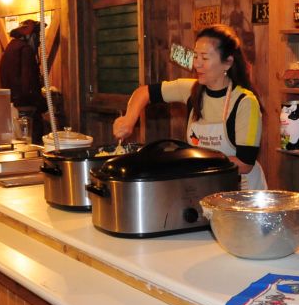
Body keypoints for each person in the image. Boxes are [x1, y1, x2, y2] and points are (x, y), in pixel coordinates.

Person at [112, 24, 266, 189]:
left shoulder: (245, 102)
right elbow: (144, 93)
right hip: (206, 186)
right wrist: (129, 119)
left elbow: (245, 164)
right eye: (195, 56)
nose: (196, 64)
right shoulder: (191, 90)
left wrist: (190, 160)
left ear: (227, 62)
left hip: (242, 192)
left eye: (204, 58)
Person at [0, 19, 46, 141]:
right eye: (37, 37)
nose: (39, 42)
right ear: (30, 36)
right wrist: (42, 103)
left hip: (13, 106)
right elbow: (28, 83)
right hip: (26, 108)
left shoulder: (10, 48)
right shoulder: (26, 50)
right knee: (32, 141)